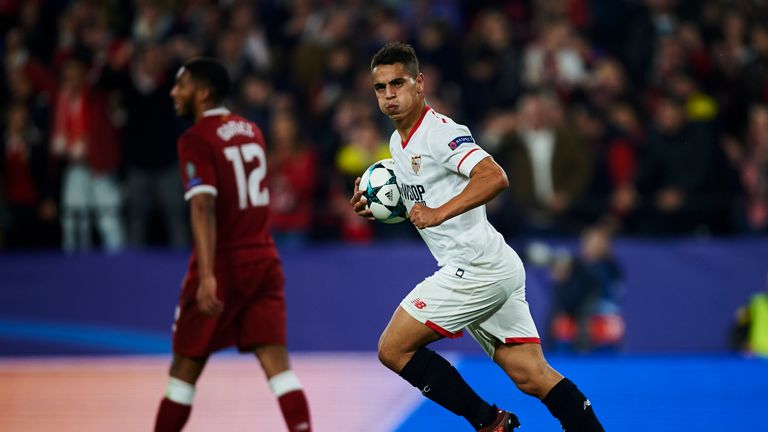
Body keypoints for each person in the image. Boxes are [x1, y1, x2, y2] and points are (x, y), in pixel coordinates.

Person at [351, 42, 604, 431]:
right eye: (380, 88)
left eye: (397, 84)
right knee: (532, 376)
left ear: (419, 84)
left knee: (393, 348)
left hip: (475, 269)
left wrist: (438, 213)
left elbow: (494, 177)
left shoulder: (439, 132)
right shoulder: (397, 144)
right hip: (493, 263)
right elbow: (422, 196)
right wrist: (384, 206)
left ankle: (488, 421)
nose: (389, 95)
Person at [154, 58, 311, 432]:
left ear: (203, 92)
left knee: (183, 370)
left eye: (182, 85)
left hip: (224, 263)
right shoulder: (251, 129)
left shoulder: (195, 138)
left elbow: (203, 205)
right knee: (278, 366)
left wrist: (206, 275)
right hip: (264, 257)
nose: (174, 92)